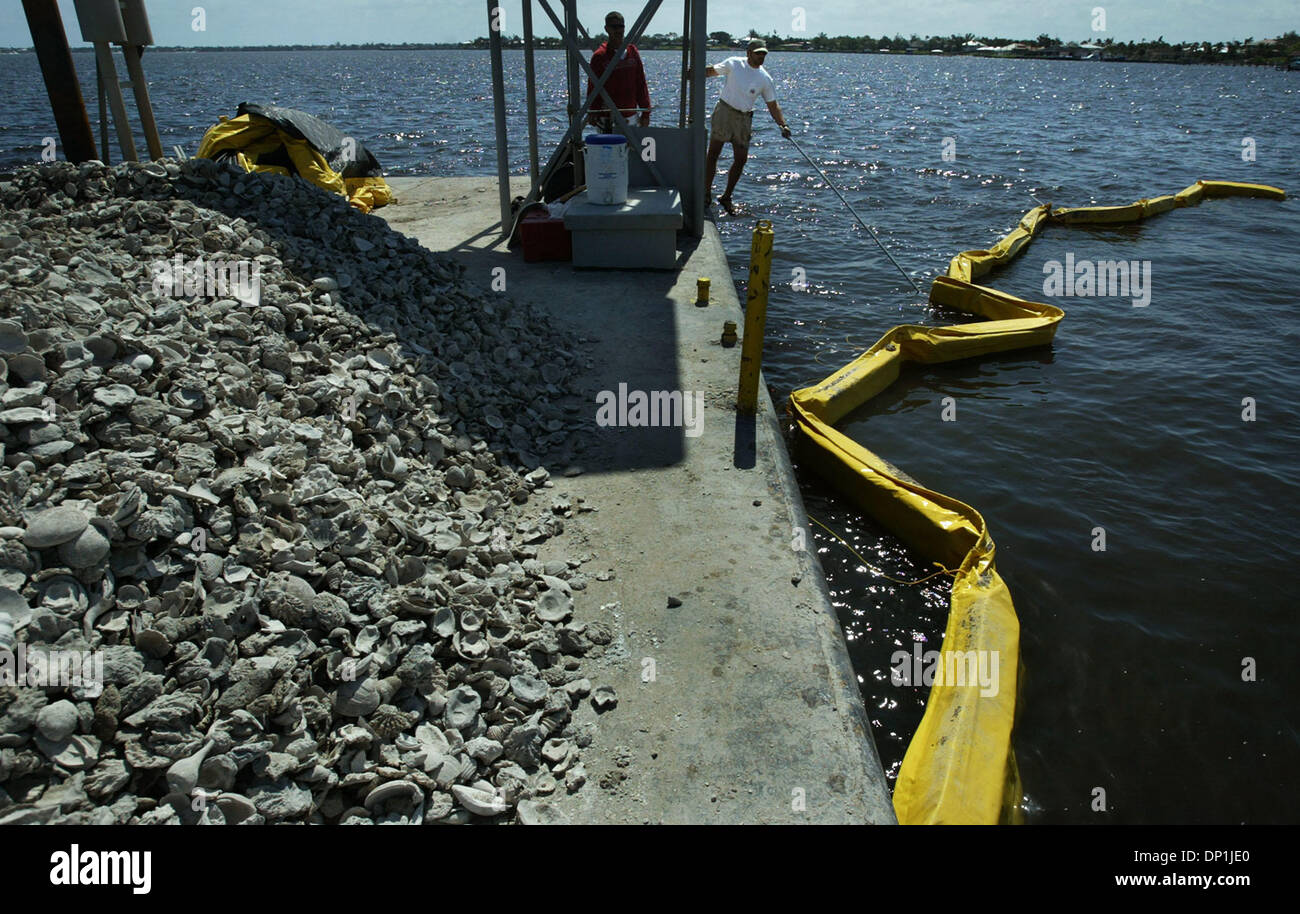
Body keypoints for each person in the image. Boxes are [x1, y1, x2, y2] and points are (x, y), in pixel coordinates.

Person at [701, 39, 792, 214]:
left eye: (764, 53)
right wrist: (694, 72)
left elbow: (773, 105)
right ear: (748, 53)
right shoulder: (734, 63)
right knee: (713, 154)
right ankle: (706, 192)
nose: (761, 56)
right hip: (724, 112)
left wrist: (783, 125)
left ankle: (726, 196)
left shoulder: (765, 78)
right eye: (758, 53)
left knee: (741, 159)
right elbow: (712, 71)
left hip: (743, 119)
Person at [586, 11, 651, 133]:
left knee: (632, 150)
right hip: (607, 118)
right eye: (614, 27)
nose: (618, 30)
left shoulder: (633, 53)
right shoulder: (600, 56)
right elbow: (593, 86)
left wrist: (646, 112)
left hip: (630, 116)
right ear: (606, 29)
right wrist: (592, 111)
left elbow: (641, 83)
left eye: (621, 26)